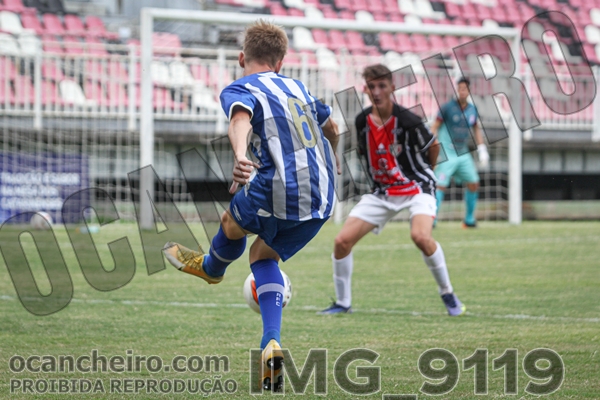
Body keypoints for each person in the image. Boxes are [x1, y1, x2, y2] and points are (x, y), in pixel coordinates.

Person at [162, 20, 340, 392]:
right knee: (262, 255)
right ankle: (271, 343)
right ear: (281, 62)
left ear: (242, 58)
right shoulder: (299, 87)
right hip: (324, 196)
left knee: (230, 222)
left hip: (278, 187)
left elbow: (240, 119)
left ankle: (211, 268)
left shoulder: (241, 87)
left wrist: (241, 155)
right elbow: (333, 128)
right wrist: (333, 158)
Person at [319, 64, 465, 317]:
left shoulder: (408, 121)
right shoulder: (362, 121)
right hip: (383, 192)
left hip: (417, 187)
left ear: (392, 88)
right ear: (365, 89)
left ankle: (448, 293)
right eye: (371, 86)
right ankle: (343, 303)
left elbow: (433, 147)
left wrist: (424, 173)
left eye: (382, 86)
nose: (376, 91)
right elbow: (366, 153)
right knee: (342, 242)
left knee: (420, 237)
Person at [430, 77, 489, 228]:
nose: (462, 91)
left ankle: (469, 220)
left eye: (465, 89)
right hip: (447, 152)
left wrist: (482, 149)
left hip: (463, 153)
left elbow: (476, 129)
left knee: (474, 183)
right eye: (460, 89)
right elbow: (435, 126)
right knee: (440, 185)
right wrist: (430, 146)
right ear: (457, 90)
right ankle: (431, 220)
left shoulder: (472, 109)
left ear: (469, 91)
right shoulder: (447, 108)